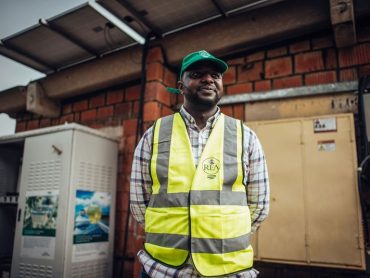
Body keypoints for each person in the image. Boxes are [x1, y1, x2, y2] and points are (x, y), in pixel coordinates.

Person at [130, 50, 269, 277]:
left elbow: (259, 207)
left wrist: (225, 234)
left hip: (228, 270)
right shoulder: (153, 135)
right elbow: (139, 204)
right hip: (163, 270)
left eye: (215, 75)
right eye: (197, 74)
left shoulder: (246, 136)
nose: (208, 79)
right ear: (181, 86)